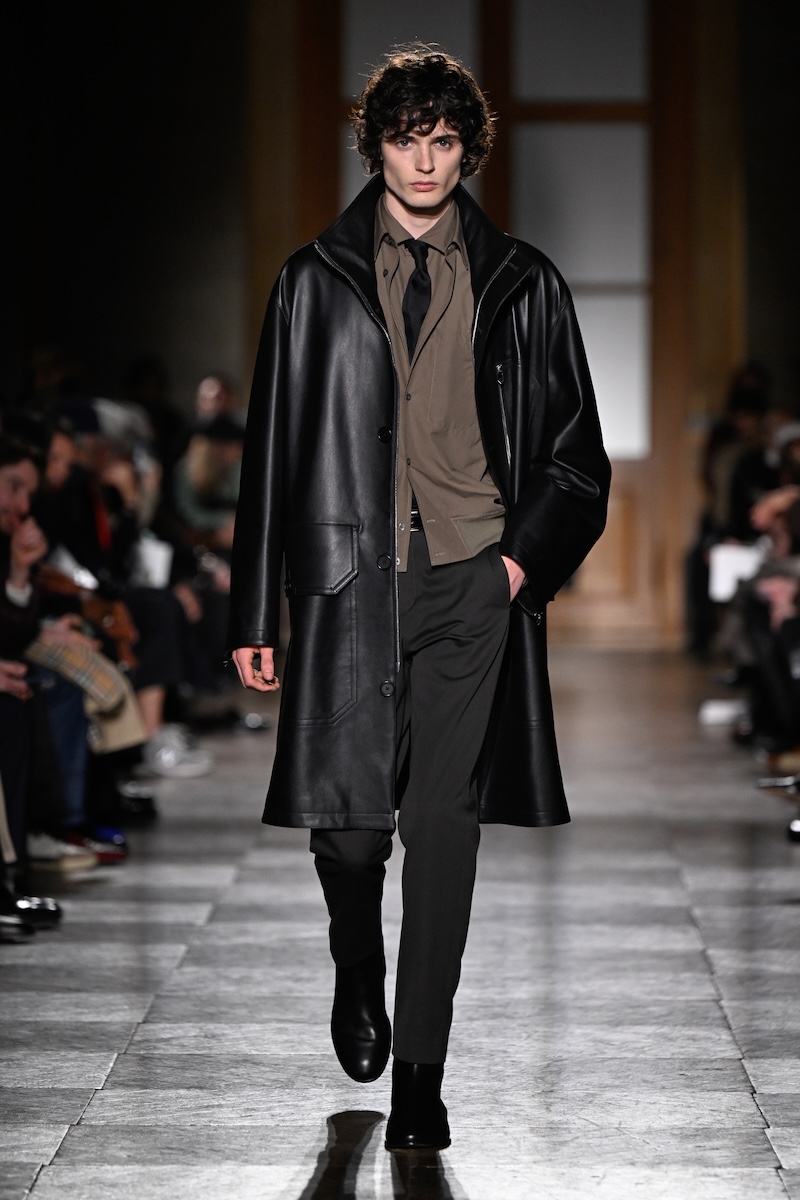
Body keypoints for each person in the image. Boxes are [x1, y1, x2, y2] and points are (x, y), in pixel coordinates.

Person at [228, 44, 610, 1152]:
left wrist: (512, 568)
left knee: (442, 832)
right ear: (377, 147)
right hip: (350, 586)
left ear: (468, 150)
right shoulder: (312, 280)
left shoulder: (523, 282)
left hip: (469, 584)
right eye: (406, 140)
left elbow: (576, 460)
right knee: (351, 839)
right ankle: (356, 960)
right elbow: (271, 455)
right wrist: (253, 613)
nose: (426, 161)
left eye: (444, 141)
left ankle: (420, 1080)